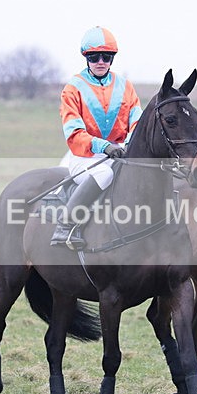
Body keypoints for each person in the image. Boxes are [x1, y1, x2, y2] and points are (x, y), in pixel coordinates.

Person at [50, 26, 143, 249]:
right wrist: (105, 147)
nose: (100, 62)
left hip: (120, 153)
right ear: (86, 58)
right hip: (85, 156)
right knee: (104, 174)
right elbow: (74, 132)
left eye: (106, 57)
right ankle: (65, 226)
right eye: (94, 57)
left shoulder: (125, 86)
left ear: (112, 58)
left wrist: (127, 144)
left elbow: (137, 122)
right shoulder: (73, 88)